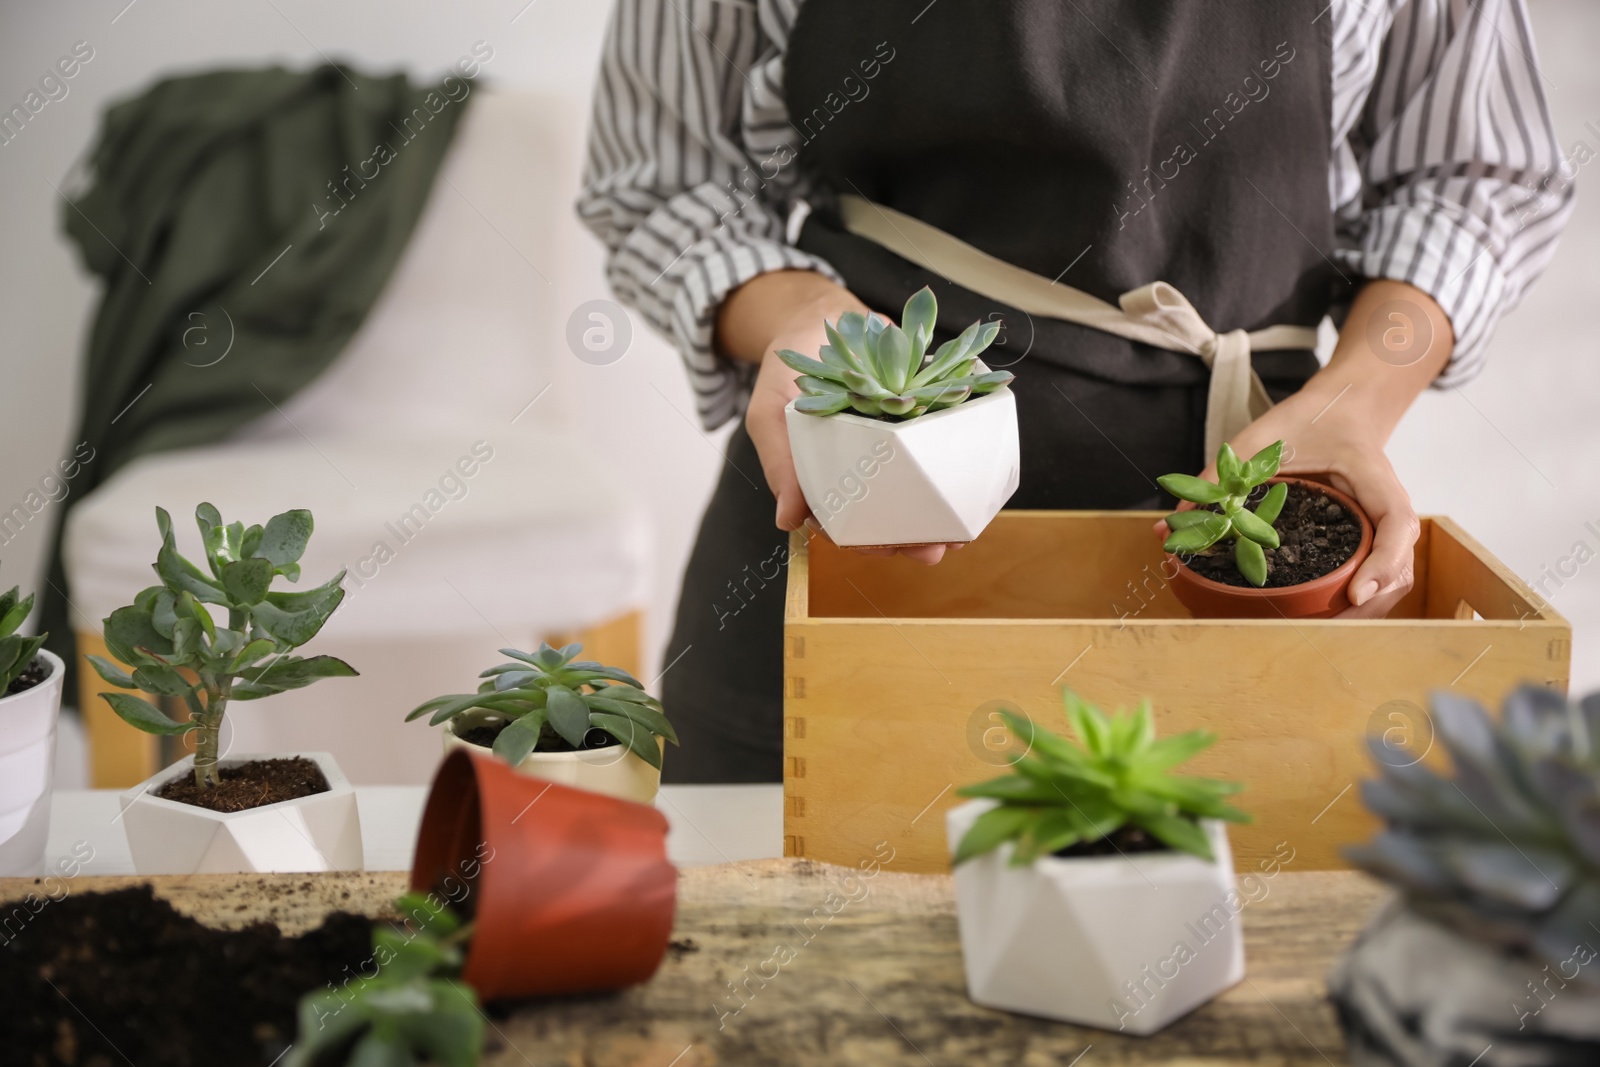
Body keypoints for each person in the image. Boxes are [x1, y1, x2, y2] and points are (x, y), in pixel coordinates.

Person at [577, 0, 1574, 783]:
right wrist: (798, 320)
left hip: (1257, 540)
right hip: (853, 509)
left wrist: (1355, 399)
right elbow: (663, 174)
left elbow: (1471, 177)